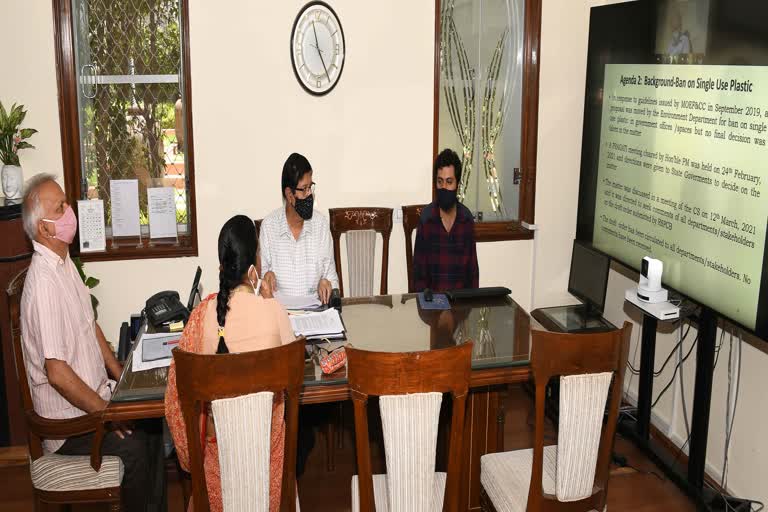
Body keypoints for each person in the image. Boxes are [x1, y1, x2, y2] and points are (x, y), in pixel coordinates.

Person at [20, 173, 165, 512]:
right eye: (61, 208)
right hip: (69, 427)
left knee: (153, 424)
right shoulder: (43, 285)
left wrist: (122, 375)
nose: (70, 211)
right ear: (44, 228)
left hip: (96, 398)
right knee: (138, 448)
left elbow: (90, 324)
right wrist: (108, 415)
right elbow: (56, 373)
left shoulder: (63, 263)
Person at [165, 215, 295, 512]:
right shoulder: (274, 311)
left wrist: (189, 459)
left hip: (219, 475)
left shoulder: (203, 316)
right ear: (253, 268)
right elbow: (293, 372)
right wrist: (269, 301)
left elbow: (176, 395)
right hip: (268, 470)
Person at [259, 152, 339, 304]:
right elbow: (260, 281)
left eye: (311, 187)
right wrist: (266, 277)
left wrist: (327, 284)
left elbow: (331, 278)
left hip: (314, 314)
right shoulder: (269, 226)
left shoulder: (320, 224)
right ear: (289, 194)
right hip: (280, 316)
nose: (309, 194)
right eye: (304, 189)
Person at [413, 148, 479, 292]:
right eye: (440, 181)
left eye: (449, 182)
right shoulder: (426, 219)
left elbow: (472, 273)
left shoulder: (466, 219)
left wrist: (471, 308)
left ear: (457, 184)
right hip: (432, 305)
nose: (444, 187)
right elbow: (419, 277)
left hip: (461, 306)